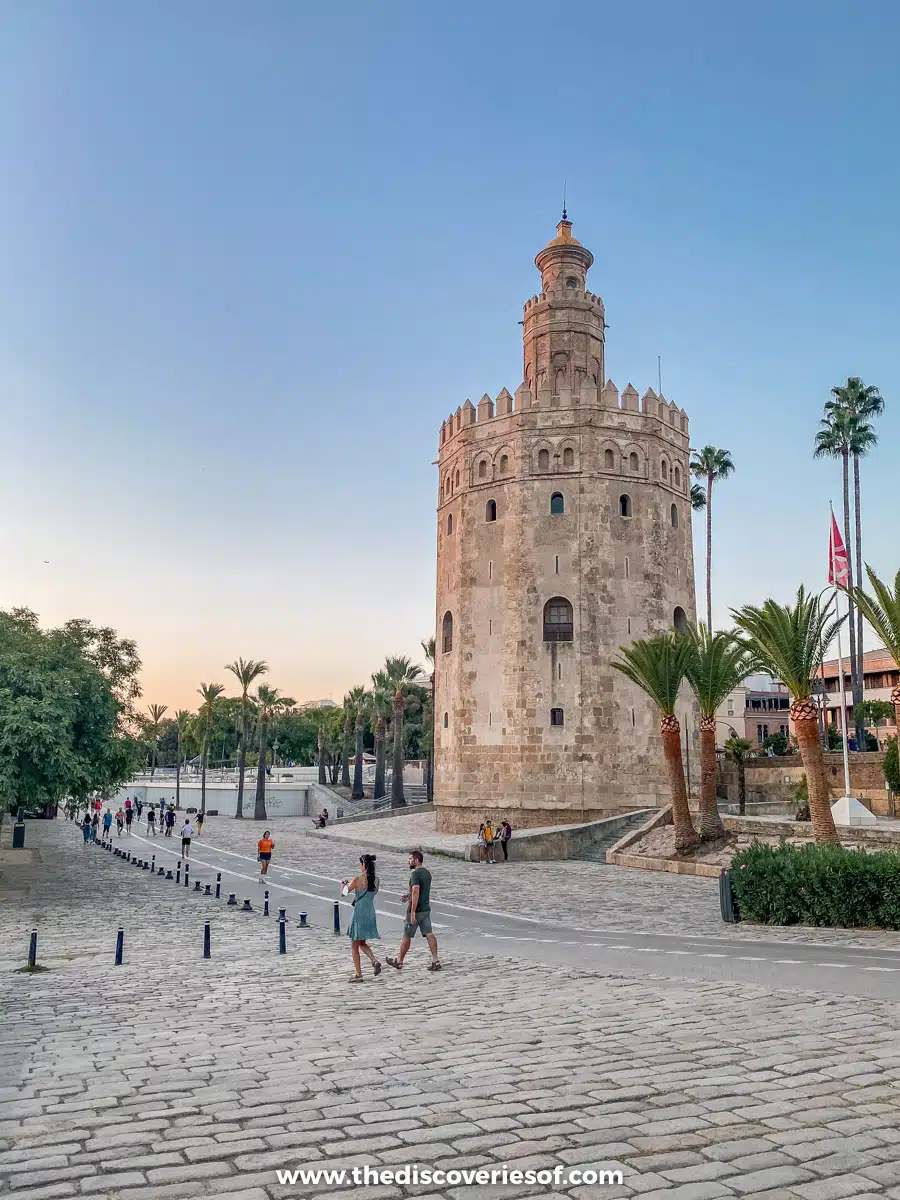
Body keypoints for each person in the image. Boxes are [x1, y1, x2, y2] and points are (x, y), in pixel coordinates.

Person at [387, 849, 441, 973]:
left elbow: (416, 890)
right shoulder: (427, 873)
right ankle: (435, 960)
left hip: (416, 910)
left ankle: (399, 961)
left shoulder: (415, 874)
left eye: (410, 859)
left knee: (407, 936)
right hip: (426, 909)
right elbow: (419, 891)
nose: (408, 861)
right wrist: (408, 895)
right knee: (429, 933)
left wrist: (412, 911)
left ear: (417, 860)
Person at [344, 853, 382, 982]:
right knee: (362, 942)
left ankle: (358, 974)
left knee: (354, 945)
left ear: (364, 865)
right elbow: (373, 892)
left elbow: (344, 893)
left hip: (359, 913)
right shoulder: (376, 880)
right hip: (370, 912)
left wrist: (344, 884)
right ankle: (374, 960)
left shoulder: (357, 879)